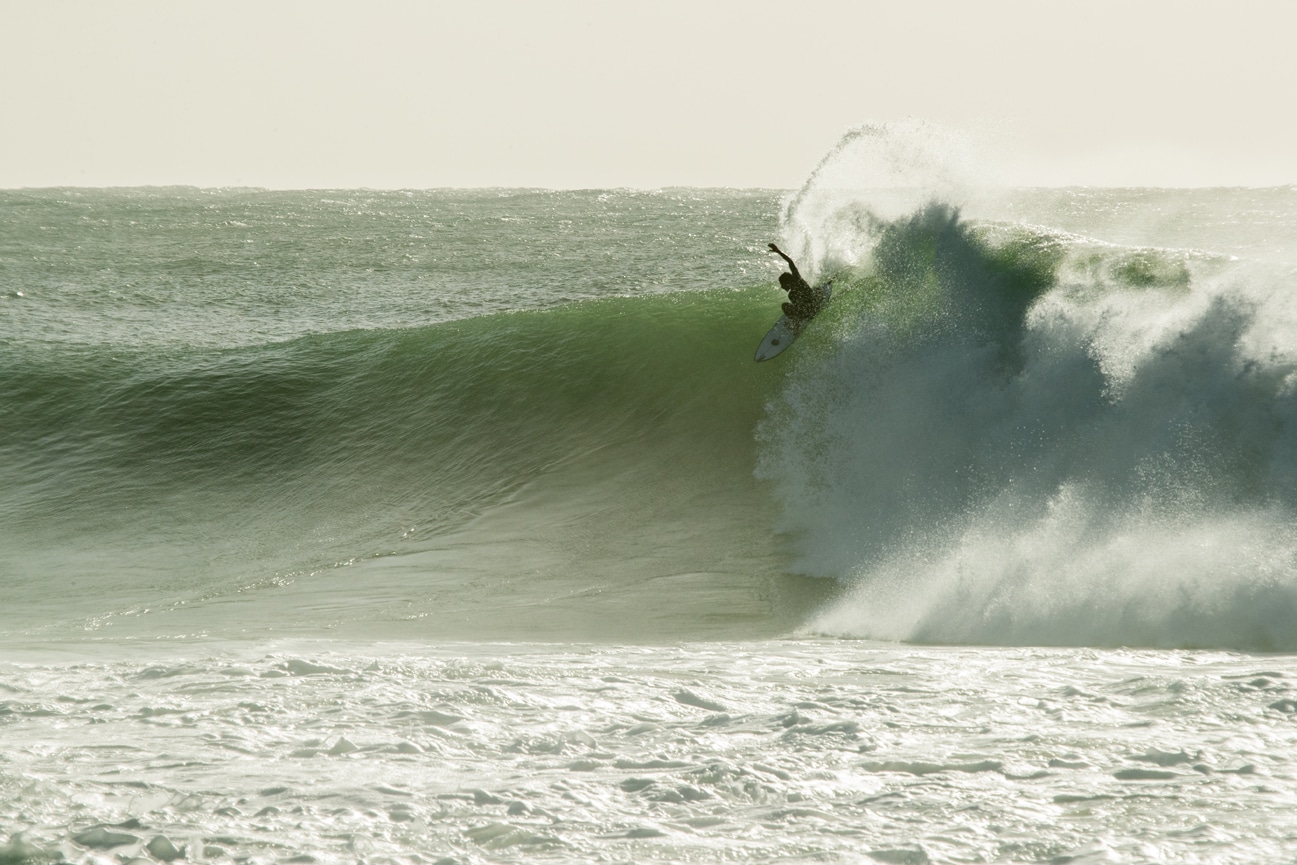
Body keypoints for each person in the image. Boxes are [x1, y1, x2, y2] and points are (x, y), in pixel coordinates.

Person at [769, 243, 819, 320]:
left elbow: (790, 262)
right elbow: (790, 262)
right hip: (813, 305)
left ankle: (797, 321)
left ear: (788, 282)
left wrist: (778, 251)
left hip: (810, 311)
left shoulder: (796, 280)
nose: (782, 287)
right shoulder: (797, 280)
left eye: (783, 284)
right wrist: (778, 251)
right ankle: (799, 318)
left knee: (785, 306)